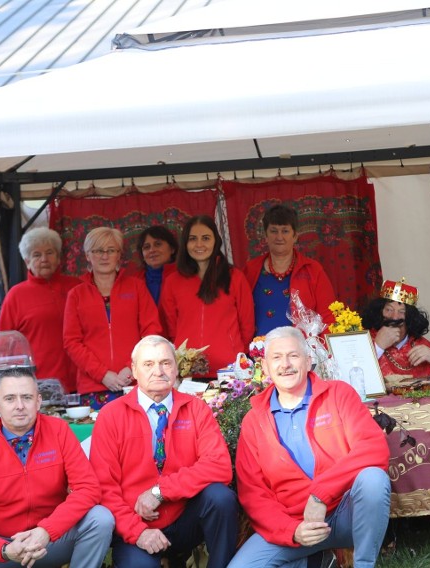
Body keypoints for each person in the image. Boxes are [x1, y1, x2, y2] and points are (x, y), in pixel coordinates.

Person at [229, 326, 391, 568]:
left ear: (308, 361)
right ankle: (317, 560)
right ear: (265, 368)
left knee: (373, 479)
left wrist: (320, 495)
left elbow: (373, 448)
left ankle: (364, 564)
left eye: (293, 356)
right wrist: (292, 530)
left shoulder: (339, 394)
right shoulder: (254, 421)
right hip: (294, 523)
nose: (286, 364)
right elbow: (254, 494)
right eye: (276, 357)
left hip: (345, 513)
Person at [90, 335, 238, 568]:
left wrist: (160, 492)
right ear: (134, 371)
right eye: (148, 364)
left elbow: (218, 466)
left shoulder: (196, 408)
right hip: (136, 527)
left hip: (185, 519)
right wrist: (137, 532)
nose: (158, 371)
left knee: (220, 498)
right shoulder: (111, 416)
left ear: (176, 369)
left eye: (165, 363)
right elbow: (104, 488)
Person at [0, 368, 114, 568]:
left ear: (38, 401)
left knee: (101, 519)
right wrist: (3, 549)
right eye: (10, 398)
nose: (19, 406)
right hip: (3, 547)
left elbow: (87, 488)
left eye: (26, 397)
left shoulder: (59, 431)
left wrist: (47, 530)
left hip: (53, 539)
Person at [63, 227, 161, 409]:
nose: (104, 256)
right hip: (93, 387)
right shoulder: (76, 295)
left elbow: (151, 331)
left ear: (119, 255)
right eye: (98, 251)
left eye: (111, 250)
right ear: (87, 256)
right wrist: (102, 374)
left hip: (136, 382)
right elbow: (72, 342)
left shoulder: (137, 287)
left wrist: (131, 368)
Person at [160, 215, 254, 374]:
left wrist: (239, 356)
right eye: (192, 239)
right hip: (187, 370)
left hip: (229, 369)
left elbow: (247, 324)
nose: (199, 244)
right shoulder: (172, 282)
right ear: (185, 243)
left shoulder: (235, 277)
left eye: (205, 238)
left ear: (215, 241)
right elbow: (171, 329)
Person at [0, 227, 81, 393]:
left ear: (58, 258)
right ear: (27, 261)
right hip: (39, 384)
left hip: (82, 380)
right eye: (36, 254)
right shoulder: (16, 295)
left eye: (49, 253)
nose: (44, 259)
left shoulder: (77, 287)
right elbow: (3, 346)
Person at [243, 205, 337, 336]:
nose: (279, 237)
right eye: (274, 231)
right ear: (265, 235)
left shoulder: (313, 270)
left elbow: (328, 316)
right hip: (258, 352)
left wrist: (323, 352)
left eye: (285, 231)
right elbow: (239, 315)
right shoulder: (251, 270)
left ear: (295, 236)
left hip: (302, 353)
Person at [361, 278, 430, 378]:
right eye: (389, 309)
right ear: (379, 312)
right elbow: (351, 376)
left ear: (410, 318)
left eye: (402, 312)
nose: (394, 317)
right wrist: (378, 346)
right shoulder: (365, 339)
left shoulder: (420, 344)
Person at [134, 226, 179, 305]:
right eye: (146, 247)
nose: (152, 250)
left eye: (158, 244)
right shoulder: (134, 281)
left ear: (172, 249)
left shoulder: (184, 277)